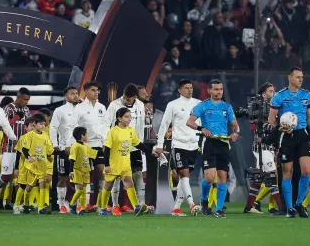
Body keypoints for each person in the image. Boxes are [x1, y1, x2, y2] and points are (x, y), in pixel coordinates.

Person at [267, 67, 310, 218]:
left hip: (302, 135)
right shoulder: (279, 96)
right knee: (287, 173)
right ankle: (289, 208)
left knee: (307, 171)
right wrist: (280, 128)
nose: (301, 79)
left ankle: (300, 204)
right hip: (286, 137)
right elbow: (271, 119)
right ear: (289, 78)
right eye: (298, 77)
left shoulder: (306, 95)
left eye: (302, 77)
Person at [186, 79, 240, 218]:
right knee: (209, 178)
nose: (219, 92)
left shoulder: (227, 107)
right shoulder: (203, 106)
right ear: (209, 91)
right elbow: (189, 122)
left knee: (223, 177)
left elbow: (235, 124)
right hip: (209, 143)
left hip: (223, 143)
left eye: (220, 89)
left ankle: (219, 209)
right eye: (216, 89)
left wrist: (235, 133)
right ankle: (204, 201)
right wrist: (202, 128)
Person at [154, 79, 202, 216]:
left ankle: (176, 207)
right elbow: (164, 125)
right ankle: (192, 205)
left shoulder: (198, 104)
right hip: (179, 144)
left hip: (193, 144)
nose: (189, 90)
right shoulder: (173, 105)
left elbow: (202, 123)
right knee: (184, 174)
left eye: (191, 87)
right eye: (186, 88)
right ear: (179, 90)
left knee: (184, 178)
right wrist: (159, 144)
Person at [98, 107, 157, 216]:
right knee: (108, 185)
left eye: (130, 117)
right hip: (113, 164)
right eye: (126, 117)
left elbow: (138, 144)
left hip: (125, 163)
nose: (129, 119)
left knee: (129, 182)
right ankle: (103, 208)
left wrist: (150, 152)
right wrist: (106, 165)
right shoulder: (113, 131)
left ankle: (136, 207)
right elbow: (106, 149)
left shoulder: (130, 130)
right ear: (119, 118)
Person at [102, 83, 147, 215]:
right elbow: (105, 124)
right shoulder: (114, 105)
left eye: (129, 98)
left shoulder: (140, 105)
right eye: (125, 98)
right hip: (117, 147)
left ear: (134, 97)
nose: (126, 100)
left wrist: (141, 144)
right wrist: (108, 142)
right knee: (114, 179)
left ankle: (140, 204)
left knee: (137, 174)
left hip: (133, 145)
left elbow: (142, 124)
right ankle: (115, 205)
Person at [65, 81, 107, 211]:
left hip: (98, 145)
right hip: (84, 146)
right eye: (93, 90)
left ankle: (100, 205)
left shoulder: (102, 107)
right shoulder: (80, 108)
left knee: (102, 174)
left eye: (97, 90)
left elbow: (105, 126)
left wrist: (105, 142)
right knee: (84, 175)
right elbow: (71, 126)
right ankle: (82, 205)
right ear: (86, 92)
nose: (96, 93)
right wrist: (68, 144)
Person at [244, 82, 283, 215]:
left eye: (274, 90)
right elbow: (253, 126)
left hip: (271, 146)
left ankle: (249, 207)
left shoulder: (276, 108)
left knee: (259, 178)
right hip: (261, 147)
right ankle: (282, 207)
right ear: (264, 94)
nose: (273, 93)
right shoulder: (258, 107)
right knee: (272, 175)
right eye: (270, 91)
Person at [0, 87, 31, 204]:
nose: (26, 102)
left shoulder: (26, 110)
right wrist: (16, 117)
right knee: (6, 177)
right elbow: (0, 127)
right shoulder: (7, 109)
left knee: (22, 176)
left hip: (22, 149)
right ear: (18, 97)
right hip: (8, 148)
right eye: (24, 99)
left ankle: (20, 203)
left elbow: (29, 126)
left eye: (28, 100)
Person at [50, 86, 79, 214]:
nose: (75, 96)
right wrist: (55, 144)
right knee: (63, 177)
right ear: (65, 97)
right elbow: (53, 127)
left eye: (76, 93)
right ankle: (61, 204)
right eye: (72, 94)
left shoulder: (82, 109)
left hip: (79, 149)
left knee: (79, 177)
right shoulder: (60, 110)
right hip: (63, 148)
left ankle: (77, 204)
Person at [21, 114, 54, 215]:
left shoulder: (45, 135)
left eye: (44, 124)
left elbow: (48, 148)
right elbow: (24, 149)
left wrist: (49, 156)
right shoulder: (29, 136)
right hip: (32, 166)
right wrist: (28, 157)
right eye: (41, 124)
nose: (43, 126)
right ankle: (26, 204)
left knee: (43, 184)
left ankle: (41, 208)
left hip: (42, 164)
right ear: (34, 124)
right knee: (29, 186)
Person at [69, 127, 98, 215]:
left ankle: (82, 209)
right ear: (82, 135)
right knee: (80, 190)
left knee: (84, 191)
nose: (87, 136)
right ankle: (72, 204)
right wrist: (71, 171)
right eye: (86, 134)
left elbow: (94, 153)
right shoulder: (75, 146)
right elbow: (72, 159)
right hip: (77, 170)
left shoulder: (86, 147)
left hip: (86, 171)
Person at [12, 117, 35, 215]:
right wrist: (16, 168)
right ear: (26, 127)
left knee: (30, 186)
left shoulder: (37, 137)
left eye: (34, 126)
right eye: (31, 126)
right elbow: (18, 153)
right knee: (22, 185)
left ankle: (26, 205)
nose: (33, 128)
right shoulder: (23, 138)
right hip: (24, 166)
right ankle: (16, 205)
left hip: (34, 167)